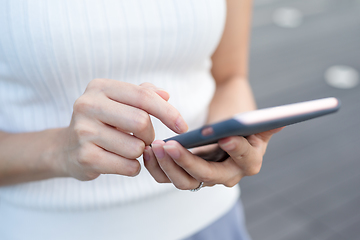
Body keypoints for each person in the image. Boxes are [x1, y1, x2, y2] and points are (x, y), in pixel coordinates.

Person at [0, 0, 281, 239]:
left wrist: (225, 147)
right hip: (47, 229)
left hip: (211, 220)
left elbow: (230, 78)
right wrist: (61, 149)